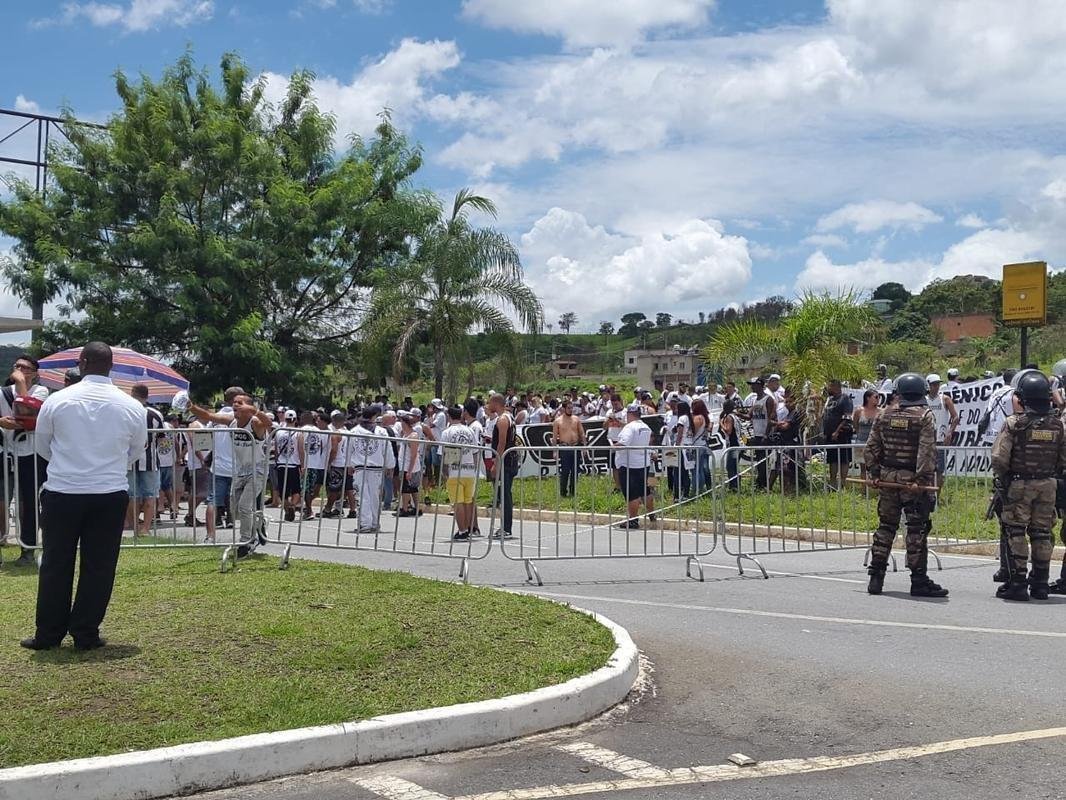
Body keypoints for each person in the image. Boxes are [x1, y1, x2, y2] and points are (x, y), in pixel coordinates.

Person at [22, 342, 146, 650]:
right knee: (100, 565)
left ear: (82, 362)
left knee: (56, 562)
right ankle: (86, 632)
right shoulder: (131, 405)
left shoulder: (58, 400)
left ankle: (48, 635)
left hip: (64, 490)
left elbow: (43, 446)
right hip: (108, 492)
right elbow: (136, 450)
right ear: (111, 365)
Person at [864, 372, 948, 598]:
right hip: (911, 482)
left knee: (886, 527)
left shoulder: (884, 415)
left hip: (888, 479)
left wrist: (874, 473)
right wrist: (921, 481)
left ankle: (876, 576)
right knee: (916, 529)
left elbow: (871, 448)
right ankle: (918, 580)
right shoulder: (924, 416)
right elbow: (926, 453)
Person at [990, 371, 1065, 601]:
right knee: (1042, 533)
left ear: (1022, 399)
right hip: (1047, 485)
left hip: (1019, 485)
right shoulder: (1057, 425)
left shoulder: (1015, 423)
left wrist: (1004, 479)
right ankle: (1041, 583)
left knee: (1016, 532)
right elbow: (1063, 460)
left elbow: (999, 458)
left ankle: (1018, 583)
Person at [189, 394, 272, 556]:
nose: (235, 405)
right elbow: (207, 415)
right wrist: (191, 406)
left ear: (248, 407)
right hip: (240, 469)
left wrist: (255, 410)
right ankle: (259, 522)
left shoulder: (254, 422)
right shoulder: (231, 421)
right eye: (234, 403)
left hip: (258, 470)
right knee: (235, 508)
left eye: (240, 403)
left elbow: (268, 424)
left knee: (244, 506)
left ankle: (245, 542)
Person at [0, 353, 50, 563]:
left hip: (31, 453)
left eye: (25, 368)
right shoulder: (3, 393)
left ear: (34, 374)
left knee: (27, 503)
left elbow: (28, 416)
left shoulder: (41, 391)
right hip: (7, 453)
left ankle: (27, 548)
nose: (20, 370)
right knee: (3, 501)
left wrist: (21, 383)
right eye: (17, 367)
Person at [349, 405, 396, 533]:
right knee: (373, 496)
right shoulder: (380, 431)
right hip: (373, 467)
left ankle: (367, 523)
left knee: (364, 496)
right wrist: (390, 465)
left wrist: (349, 464)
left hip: (362, 468)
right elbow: (388, 450)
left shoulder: (354, 431)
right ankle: (372, 522)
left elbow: (349, 449)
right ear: (374, 416)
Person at [126, 384, 165, 536]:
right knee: (150, 495)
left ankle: (135, 527)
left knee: (131, 495)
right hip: (150, 460)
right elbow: (162, 439)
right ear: (147, 396)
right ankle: (146, 528)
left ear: (132, 393)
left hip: (129, 460)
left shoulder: (126, 411)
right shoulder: (155, 414)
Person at [439, 405, 480, 540]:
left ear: (449, 417)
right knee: (468, 501)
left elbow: (445, 453)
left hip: (455, 470)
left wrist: (445, 471)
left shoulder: (447, 432)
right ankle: (468, 528)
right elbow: (475, 452)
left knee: (458, 502)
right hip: (469, 469)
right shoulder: (469, 430)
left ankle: (462, 530)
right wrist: (473, 468)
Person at [613, 403, 654, 528]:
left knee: (632, 494)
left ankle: (633, 520)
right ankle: (652, 514)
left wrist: (612, 447)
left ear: (629, 414)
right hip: (643, 463)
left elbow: (624, 443)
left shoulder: (630, 427)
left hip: (629, 464)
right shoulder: (646, 427)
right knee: (644, 491)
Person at [488, 393, 517, 539]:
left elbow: (502, 443)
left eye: (490, 403)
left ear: (496, 403)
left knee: (504, 495)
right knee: (503, 494)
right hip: (508, 460)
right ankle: (505, 526)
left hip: (506, 462)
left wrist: (496, 463)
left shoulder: (503, 419)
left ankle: (506, 528)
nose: (488, 405)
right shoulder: (508, 416)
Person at [926, 374, 959, 487]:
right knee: (926, 469)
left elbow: (955, 417)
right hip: (926, 440)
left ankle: (937, 498)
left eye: (938, 384)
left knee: (939, 470)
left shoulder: (944, 398)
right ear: (928, 385)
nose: (936, 387)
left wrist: (950, 433)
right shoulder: (924, 400)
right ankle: (927, 496)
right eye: (933, 385)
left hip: (941, 439)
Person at [744, 377, 776, 490]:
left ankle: (763, 484)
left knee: (763, 461)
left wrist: (766, 435)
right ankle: (760, 483)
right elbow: (749, 416)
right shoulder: (755, 400)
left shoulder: (768, 400)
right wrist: (736, 413)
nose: (751, 387)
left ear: (760, 385)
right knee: (759, 461)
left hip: (765, 435)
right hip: (757, 435)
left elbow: (771, 418)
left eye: (753, 384)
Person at [821, 379, 853, 490]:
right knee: (832, 459)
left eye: (829, 386)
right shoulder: (829, 400)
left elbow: (847, 417)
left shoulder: (845, 399)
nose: (828, 389)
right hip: (830, 435)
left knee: (843, 459)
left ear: (836, 387)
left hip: (842, 434)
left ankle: (842, 484)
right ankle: (832, 483)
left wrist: (837, 431)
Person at [274, 410, 303, 522]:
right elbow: (301, 450)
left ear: (285, 419)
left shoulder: (279, 432)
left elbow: (276, 450)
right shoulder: (298, 432)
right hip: (294, 464)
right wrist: (303, 464)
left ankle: (287, 509)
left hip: (281, 464)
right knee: (296, 490)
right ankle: (293, 506)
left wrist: (277, 461)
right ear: (295, 419)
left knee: (283, 491)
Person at [553, 399, 585, 498]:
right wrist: (555, 451)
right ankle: (563, 492)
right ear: (563, 408)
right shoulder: (558, 421)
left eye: (572, 408)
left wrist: (584, 447)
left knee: (575, 471)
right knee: (565, 471)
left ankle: (572, 491)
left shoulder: (576, 419)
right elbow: (554, 438)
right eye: (568, 408)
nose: (571, 410)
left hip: (575, 446)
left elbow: (582, 433)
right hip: (564, 447)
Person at [396, 410, 424, 517]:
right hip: (404, 465)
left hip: (409, 466)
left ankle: (405, 509)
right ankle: (417, 508)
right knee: (413, 489)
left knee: (406, 489)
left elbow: (413, 455)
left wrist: (410, 470)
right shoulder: (405, 434)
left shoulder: (413, 436)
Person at [853, 389, 880, 481]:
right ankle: (864, 490)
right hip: (861, 442)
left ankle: (874, 490)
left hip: (876, 443)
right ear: (868, 398)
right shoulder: (859, 411)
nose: (878, 399)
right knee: (863, 468)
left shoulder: (880, 411)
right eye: (876, 397)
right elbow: (855, 425)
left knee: (876, 467)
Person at [719, 399, 741, 491]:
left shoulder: (729, 417)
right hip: (738, 443)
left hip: (733, 444)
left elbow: (728, 430)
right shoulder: (735, 416)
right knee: (734, 466)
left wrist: (721, 423)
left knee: (730, 466)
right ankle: (736, 484)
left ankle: (734, 486)